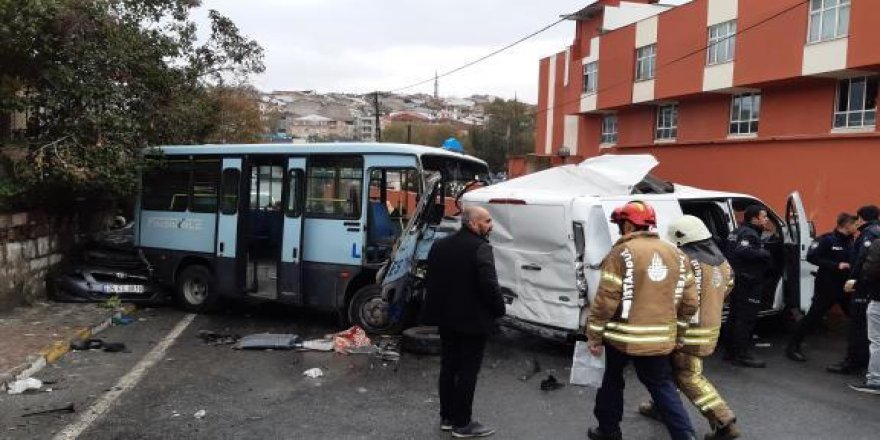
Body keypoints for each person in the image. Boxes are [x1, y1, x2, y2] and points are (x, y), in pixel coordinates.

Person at [586, 201, 699, 440]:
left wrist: (594, 335)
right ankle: (685, 436)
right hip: (659, 339)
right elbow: (690, 302)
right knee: (662, 386)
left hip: (620, 337)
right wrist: (678, 334)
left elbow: (607, 300)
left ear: (628, 225)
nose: (619, 230)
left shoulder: (620, 253)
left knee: (612, 381)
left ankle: (609, 431)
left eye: (619, 225)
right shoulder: (678, 255)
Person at [638, 215, 740, 439]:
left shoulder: (684, 260)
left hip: (686, 329)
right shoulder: (722, 261)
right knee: (667, 369)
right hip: (710, 327)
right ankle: (660, 406)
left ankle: (724, 420)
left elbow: (675, 296)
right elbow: (728, 287)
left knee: (688, 375)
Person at [424, 205, 505, 438]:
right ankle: (463, 423)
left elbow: (432, 280)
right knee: (468, 371)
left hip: (446, 320)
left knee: (449, 367)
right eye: (487, 221)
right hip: (473, 322)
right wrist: (499, 309)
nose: (491, 226)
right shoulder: (481, 248)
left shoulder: (439, 246)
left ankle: (447, 417)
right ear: (473, 223)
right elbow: (490, 286)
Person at [786, 213, 857, 362]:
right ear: (846, 225)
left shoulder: (852, 242)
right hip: (827, 287)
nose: (856, 227)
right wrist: (836, 265)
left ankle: (859, 355)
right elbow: (812, 257)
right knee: (813, 317)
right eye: (854, 224)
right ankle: (792, 347)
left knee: (857, 318)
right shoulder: (827, 240)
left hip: (846, 288)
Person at [829, 205, 880, 374]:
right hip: (873, 286)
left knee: (858, 325)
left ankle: (852, 362)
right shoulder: (877, 231)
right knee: (868, 327)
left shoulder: (868, 233)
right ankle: (866, 361)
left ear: (861, 218)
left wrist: (853, 279)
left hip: (864, 286)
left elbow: (863, 259)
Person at [722, 205, 773, 368]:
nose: (766, 220)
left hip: (737, 279)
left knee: (734, 316)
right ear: (754, 219)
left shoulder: (736, 231)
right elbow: (742, 251)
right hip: (748, 282)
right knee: (746, 319)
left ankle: (730, 351)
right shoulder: (749, 234)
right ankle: (741, 355)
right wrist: (765, 254)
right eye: (764, 216)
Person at [849, 239, 880, 393]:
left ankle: (875, 381)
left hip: (878, 298)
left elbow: (871, 271)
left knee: (877, 342)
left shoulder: (878, 243)